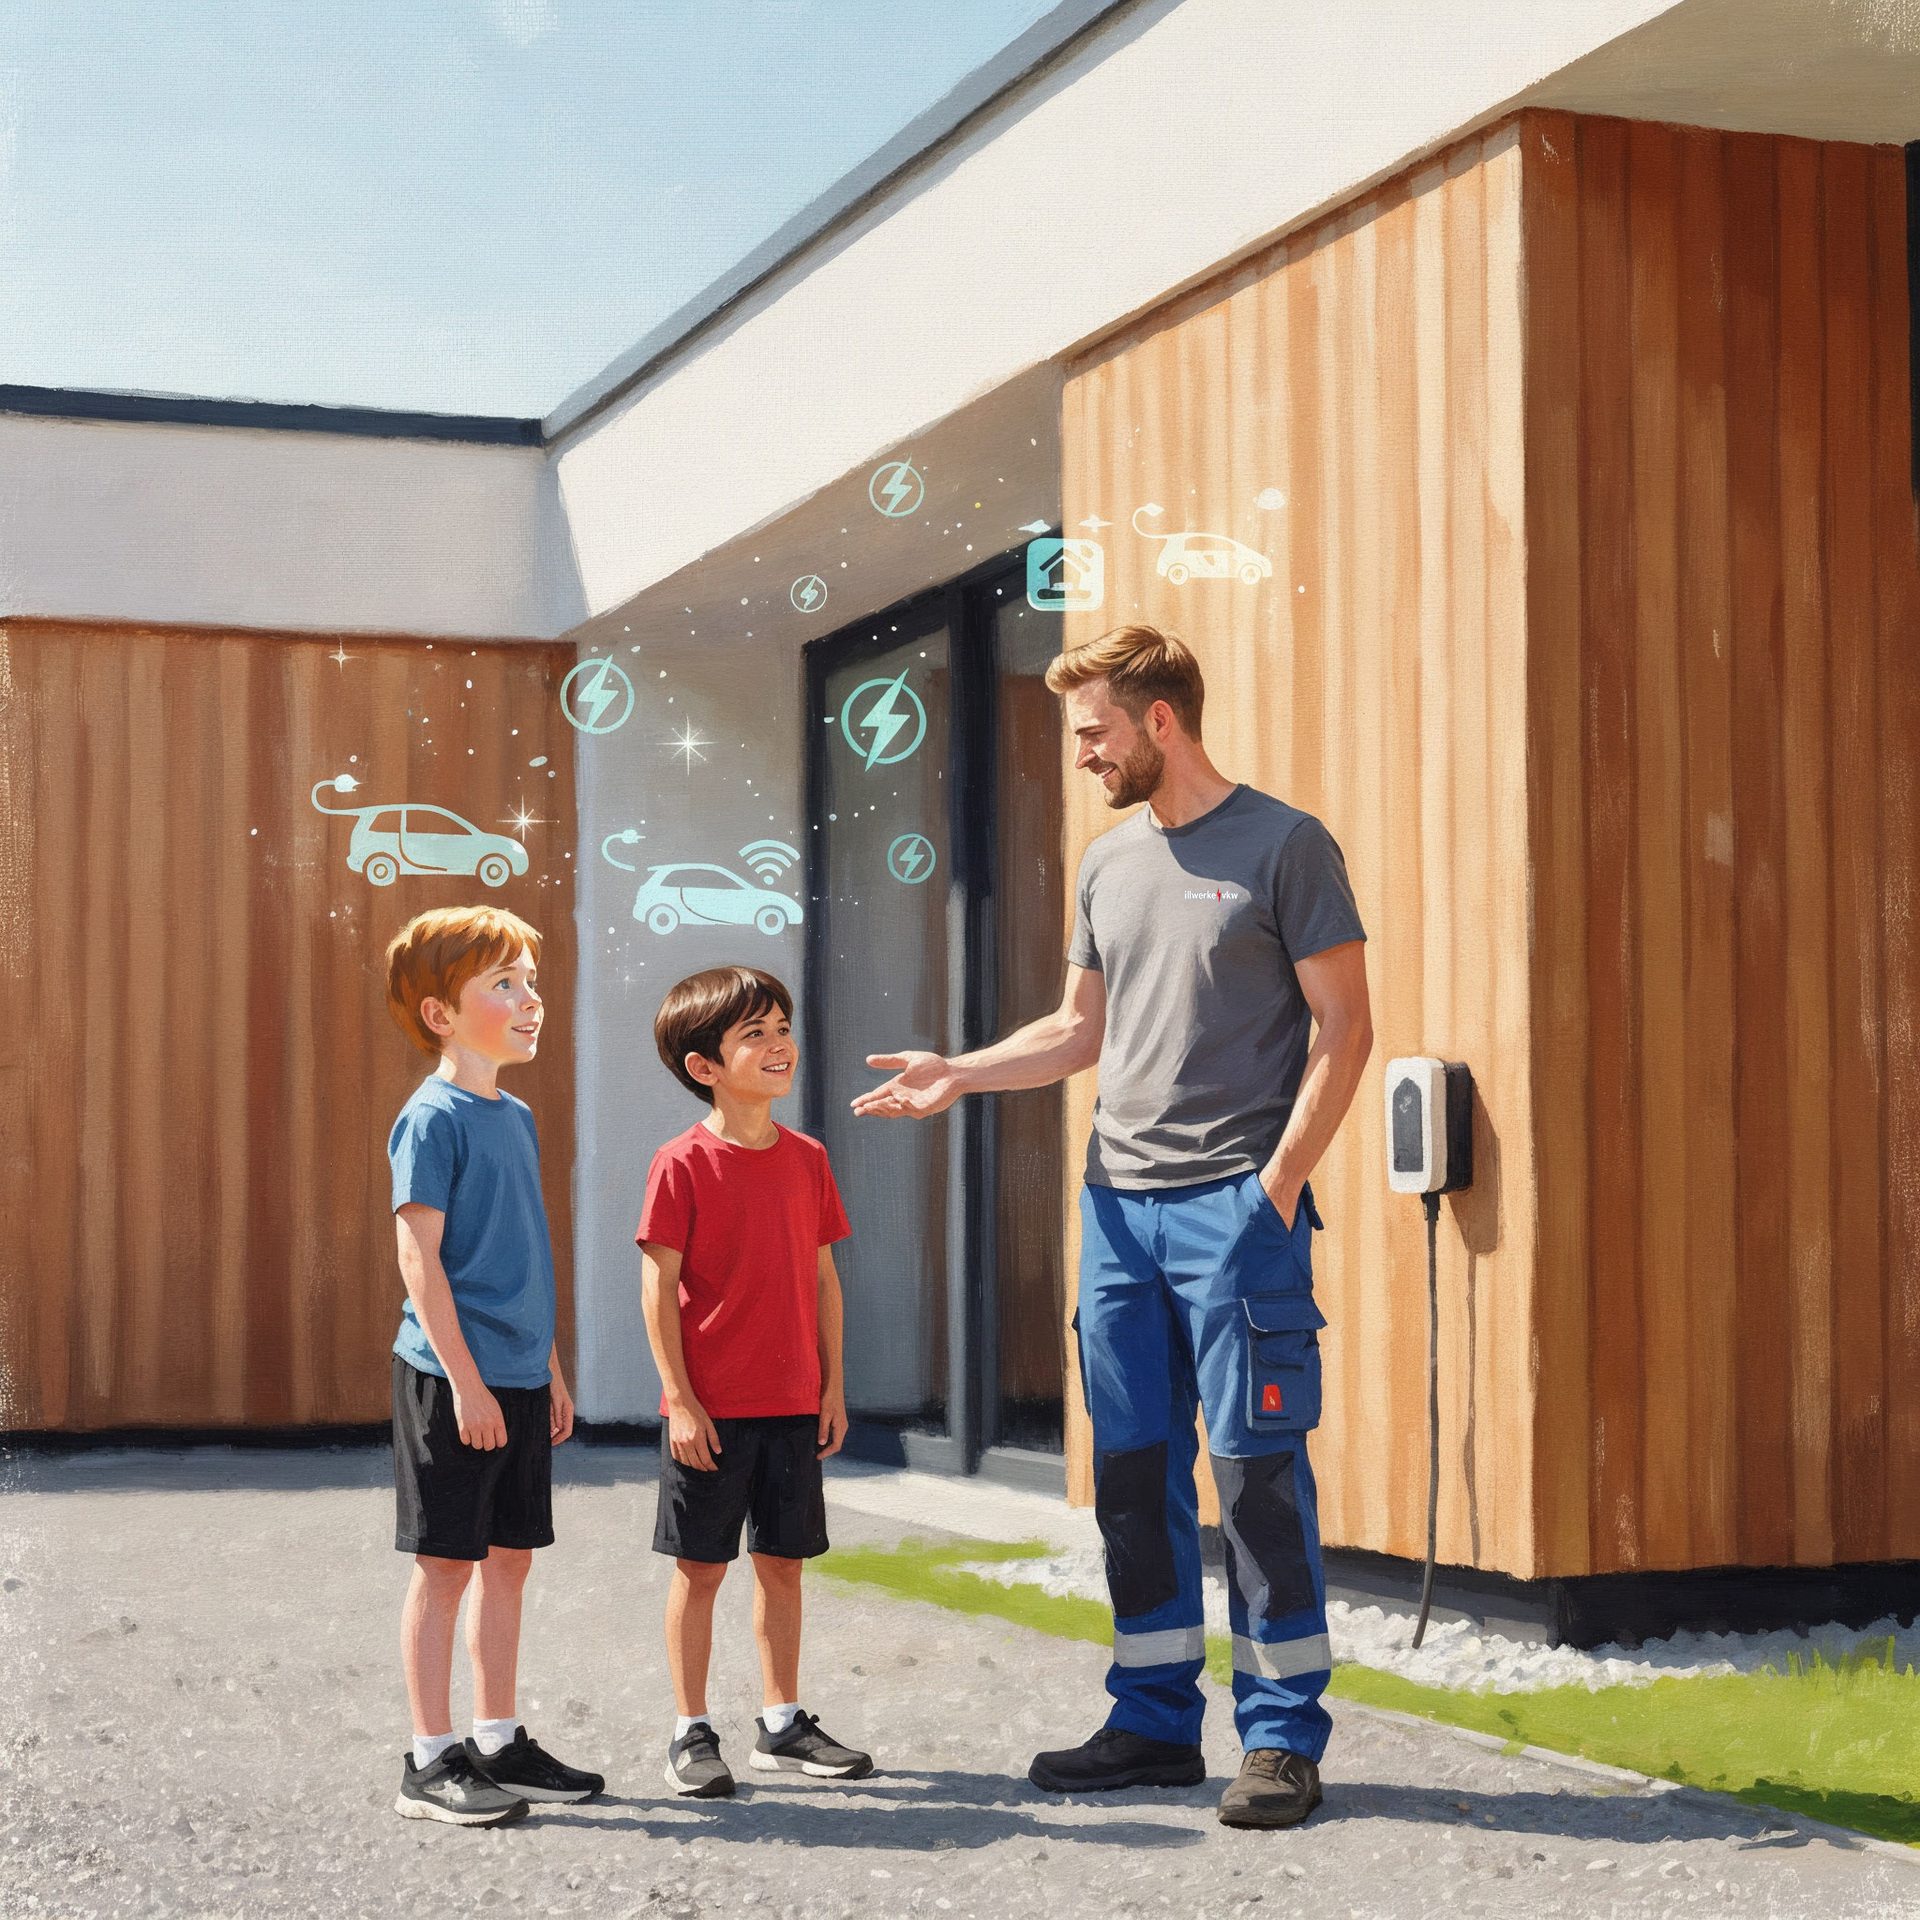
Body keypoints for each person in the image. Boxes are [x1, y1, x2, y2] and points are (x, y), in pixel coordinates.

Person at [856, 624, 1372, 1830]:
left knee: (1253, 1476)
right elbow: (1077, 1030)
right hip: (1117, 1215)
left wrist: (1275, 1189)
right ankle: (1151, 1721)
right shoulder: (1107, 863)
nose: (1081, 752)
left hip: (1235, 1212)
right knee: (1133, 1475)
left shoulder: (1286, 846)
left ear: (1160, 721)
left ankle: (1280, 1739)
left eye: (1094, 730)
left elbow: (1347, 1028)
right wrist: (960, 1071)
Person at [384, 905, 605, 1825]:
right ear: (440, 1013)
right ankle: (428, 1760)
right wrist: (468, 1384)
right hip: (451, 1380)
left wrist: (546, 1368)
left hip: (517, 1376)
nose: (530, 1001)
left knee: (510, 1560)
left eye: (531, 983)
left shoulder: (514, 1116)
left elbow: (520, 1252)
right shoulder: (430, 1119)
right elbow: (420, 1260)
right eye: (503, 985)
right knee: (447, 1565)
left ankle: (497, 1739)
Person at [638, 965, 872, 1799]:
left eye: (782, 1028)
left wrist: (832, 1388)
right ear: (704, 1066)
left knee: (784, 1565)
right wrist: (681, 1400)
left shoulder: (808, 1159)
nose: (780, 1045)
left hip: (793, 1405)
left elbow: (824, 1280)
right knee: (701, 1570)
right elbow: (657, 1289)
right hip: (710, 1413)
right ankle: (690, 1731)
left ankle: (782, 1723)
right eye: (755, 1035)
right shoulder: (680, 1164)